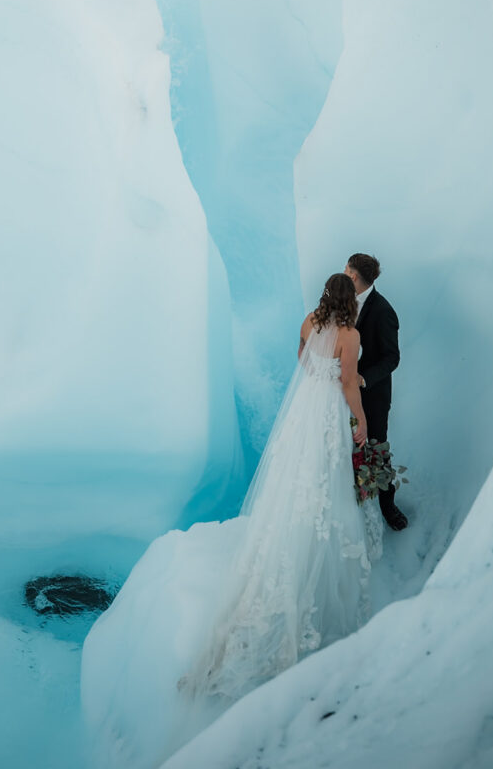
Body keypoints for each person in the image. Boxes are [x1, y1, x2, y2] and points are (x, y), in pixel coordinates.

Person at [181, 273, 382, 701]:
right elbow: (348, 382)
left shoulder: (311, 319)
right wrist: (361, 419)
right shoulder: (350, 333)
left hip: (307, 402)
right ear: (352, 301)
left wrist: (316, 375)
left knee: (296, 473)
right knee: (325, 477)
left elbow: (302, 356)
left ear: (327, 296)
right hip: (327, 408)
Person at [344, 253, 408, 531]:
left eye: (346, 270)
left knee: (377, 448)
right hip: (340, 392)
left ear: (354, 275)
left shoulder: (383, 311)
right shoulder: (342, 300)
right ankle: (350, 500)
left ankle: (387, 505)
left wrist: (362, 379)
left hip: (372, 396)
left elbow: (392, 358)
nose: (344, 273)